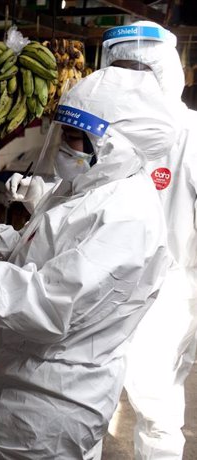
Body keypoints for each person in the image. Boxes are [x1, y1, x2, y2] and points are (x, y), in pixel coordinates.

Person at [0, 66, 175, 459]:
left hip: (50, 404)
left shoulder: (128, 217)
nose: (63, 144)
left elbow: (48, 304)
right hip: (26, 384)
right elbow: (47, 261)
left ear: (112, 143)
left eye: (74, 136)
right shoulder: (88, 186)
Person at [99, 21, 197, 460]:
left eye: (142, 68)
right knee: (89, 404)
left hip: (167, 296)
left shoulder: (190, 135)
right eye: (122, 68)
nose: (131, 79)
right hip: (99, 288)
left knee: (156, 409)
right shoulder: (102, 128)